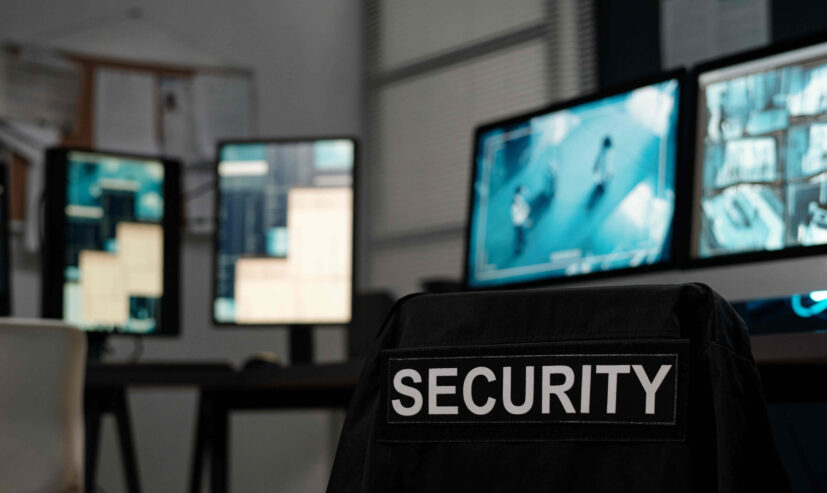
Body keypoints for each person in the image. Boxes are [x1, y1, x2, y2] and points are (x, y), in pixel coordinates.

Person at [511, 185, 531, 255]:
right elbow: (519, 210)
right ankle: (518, 248)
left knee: (520, 234)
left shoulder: (517, 198)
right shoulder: (517, 199)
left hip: (519, 221)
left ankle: (521, 244)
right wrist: (525, 213)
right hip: (519, 221)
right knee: (519, 235)